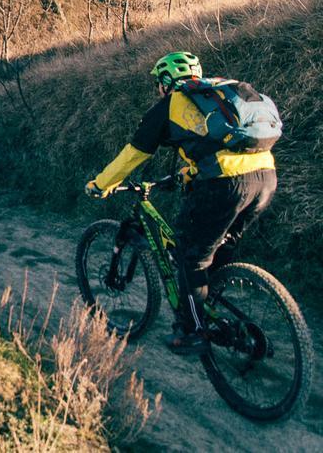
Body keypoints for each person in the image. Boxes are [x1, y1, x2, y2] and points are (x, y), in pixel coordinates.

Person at [85, 51, 278, 355]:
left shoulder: (171, 104)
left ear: (165, 81)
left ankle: (193, 330)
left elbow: (133, 154)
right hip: (265, 178)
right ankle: (212, 310)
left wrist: (101, 183)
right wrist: (190, 173)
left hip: (224, 186)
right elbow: (217, 146)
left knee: (191, 258)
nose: (159, 89)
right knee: (215, 253)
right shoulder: (217, 95)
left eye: (158, 83)